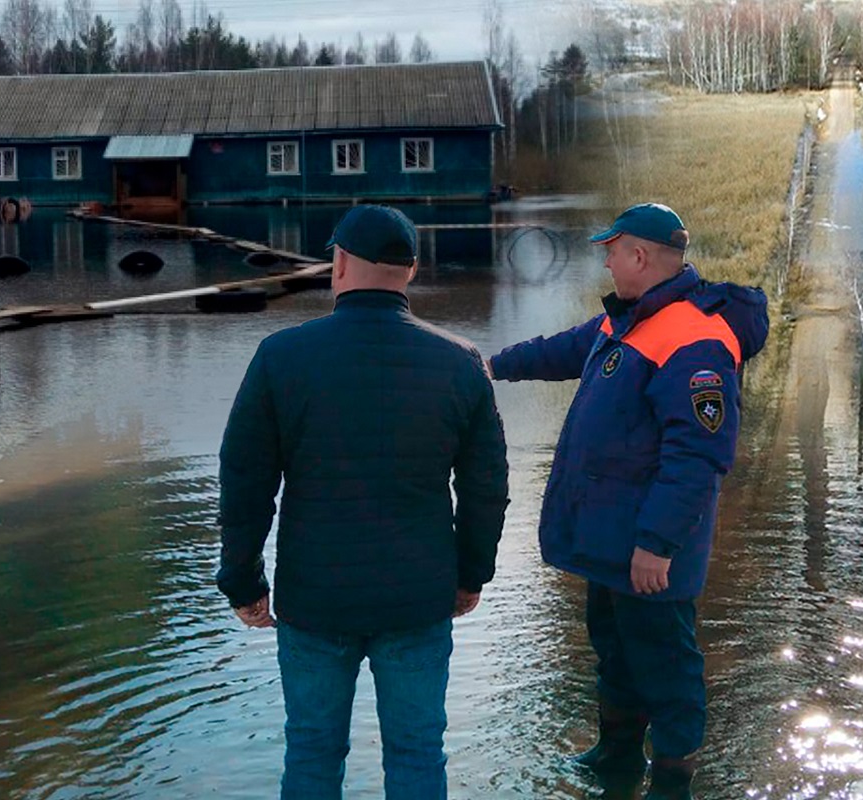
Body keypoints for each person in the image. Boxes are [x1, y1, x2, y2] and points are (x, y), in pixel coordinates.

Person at [217, 204, 510, 800]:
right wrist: (471, 574)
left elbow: (246, 482)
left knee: (313, 753)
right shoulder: (460, 362)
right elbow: (486, 488)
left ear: (340, 263)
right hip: (418, 597)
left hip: (315, 598)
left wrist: (242, 580)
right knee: (418, 753)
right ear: (410, 270)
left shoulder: (280, 357)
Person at [486, 203, 768, 800]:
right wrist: (490, 367)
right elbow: (561, 351)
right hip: (611, 540)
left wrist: (657, 545)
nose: (606, 259)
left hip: (650, 550)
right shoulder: (631, 319)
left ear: (639, 256)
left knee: (666, 662)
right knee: (614, 648)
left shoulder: (694, 340)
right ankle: (616, 756)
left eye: (610, 250)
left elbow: (696, 457)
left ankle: (672, 780)